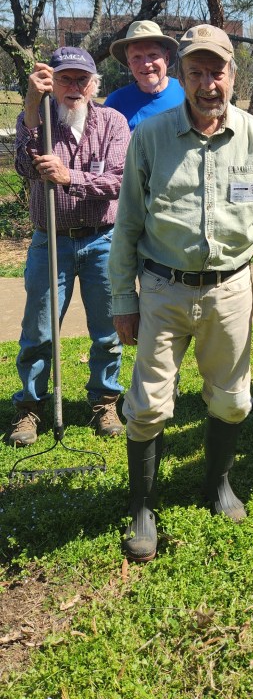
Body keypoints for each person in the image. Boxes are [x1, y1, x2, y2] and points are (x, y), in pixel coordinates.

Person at [108, 23, 253, 562]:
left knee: (232, 400)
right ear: (181, 77)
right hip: (163, 289)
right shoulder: (151, 137)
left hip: (232, 290)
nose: (208, 84)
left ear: (233, 73)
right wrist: (123, 299)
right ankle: (143, 505)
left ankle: (218, 484)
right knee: (147, 407)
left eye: (217, 72)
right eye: (196, 73)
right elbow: (128, 227)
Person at [9, 46, 131, 447]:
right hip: (51, 243)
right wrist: (29, 108)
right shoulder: (38, 120)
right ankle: (30, 406)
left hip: (101, 241)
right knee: (39, 331)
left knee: (107, 330)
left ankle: (104, 400)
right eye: (65, 79)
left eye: (82, 79)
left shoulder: (113, 122)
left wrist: (69, 177)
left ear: (94, 84)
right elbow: (25, 168)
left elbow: (118, 181)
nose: (74, 87)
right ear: (52, 84)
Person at [104, 19, 185, 130]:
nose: (146, 64)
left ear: (166, 58)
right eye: (137, 57)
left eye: (153, 55)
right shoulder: (116, 103)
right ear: (129, 64)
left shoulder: (187, 94)